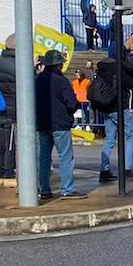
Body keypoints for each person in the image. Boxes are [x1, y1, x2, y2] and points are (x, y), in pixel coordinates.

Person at [34, 50, 85, 200]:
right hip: (60, 124)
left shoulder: (38, 80)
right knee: (65, 157)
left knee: (44, 157)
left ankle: (44, 189)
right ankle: (67, 189)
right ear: (59, 65)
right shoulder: (62, 81)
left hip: (42, 123)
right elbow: (71, 103)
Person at [92, 43, 133, 183]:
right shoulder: (119, 69)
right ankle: (126, 169)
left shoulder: (103, 67)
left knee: (110, 138)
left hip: (106, 107)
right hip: (120, 107)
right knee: (132, 137)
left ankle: (104, 170)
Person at [0, 35, 20, 187]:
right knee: (11, 144)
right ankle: (9, 173)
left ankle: (1, 173)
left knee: (0, 143)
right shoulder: (16, 64)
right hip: (10, 108)